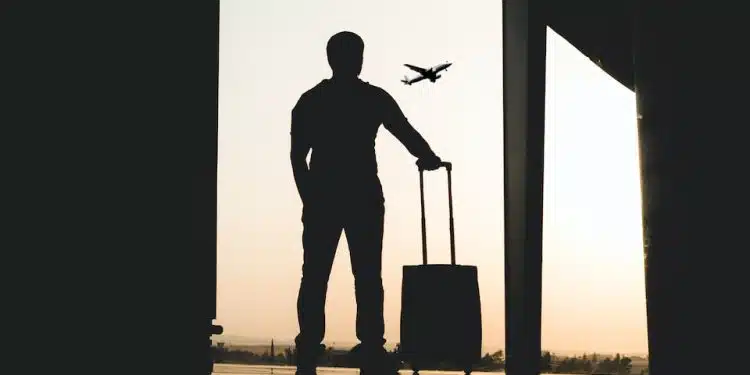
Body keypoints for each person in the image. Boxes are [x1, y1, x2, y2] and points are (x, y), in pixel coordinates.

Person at [290, 31, 443, 375]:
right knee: (367, 275)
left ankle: (309, 349)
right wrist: (428, 156)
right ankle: (372, 347)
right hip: (362, 196)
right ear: (357, 58)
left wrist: (310, 198)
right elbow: (404, 131)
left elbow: (298, 158)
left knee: (315, 276)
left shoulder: (311, 101)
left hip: (326, 198)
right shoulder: (372, 98)